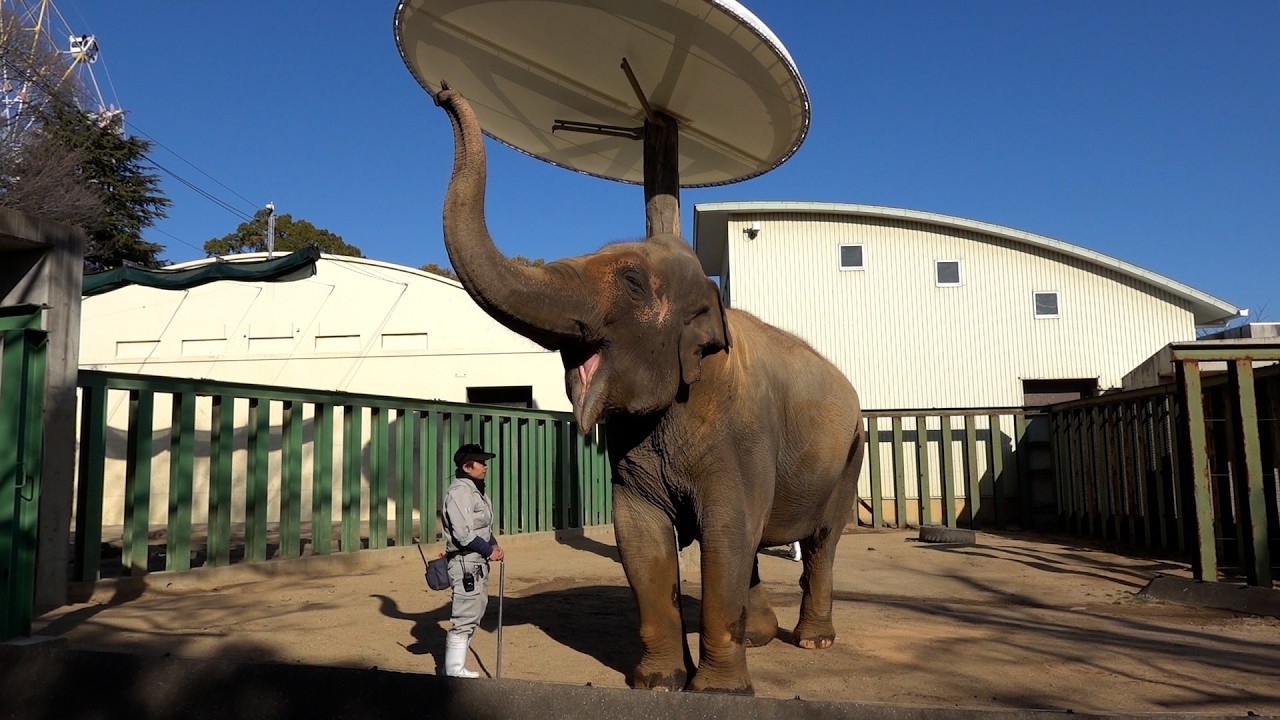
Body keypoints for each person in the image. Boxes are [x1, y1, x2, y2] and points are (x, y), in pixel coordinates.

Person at [442, 442, 505, 678]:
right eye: (481, 462)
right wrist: (488, 550)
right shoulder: (460, 491)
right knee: (464, 615)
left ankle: (454, 668)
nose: (485, 466)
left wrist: (493, 544)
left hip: (477, 560)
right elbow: (463, 533)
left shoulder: (475, 488)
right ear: (467, 467)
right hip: (465, 562)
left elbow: (482, 527)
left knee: (474, 612)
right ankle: (453, 671)